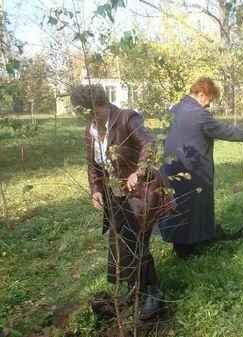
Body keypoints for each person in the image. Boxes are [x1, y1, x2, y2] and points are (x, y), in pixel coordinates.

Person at [71, 84, 170, 319]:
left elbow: (149, 144)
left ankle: (154, 293)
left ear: (104, 104)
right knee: (121, 243)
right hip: (115, 194)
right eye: (87, 115)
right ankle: (136, 290)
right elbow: (92, 165)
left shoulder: (127, 118)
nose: (93, 119)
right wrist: (96, 189)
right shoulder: (90, 131)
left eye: (95, 113)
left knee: (138, 243)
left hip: (142, 192)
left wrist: (140, 170)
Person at [159, 77, 243, 258]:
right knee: (190, 206)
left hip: (174, 167)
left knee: (180, 206)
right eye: (209, 100)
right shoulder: (198, 114)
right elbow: (224, 130)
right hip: (193, 170)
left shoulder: (176, 108)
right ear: (201, 94)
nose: (209, 105)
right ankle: (185, 251)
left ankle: (189, 242)